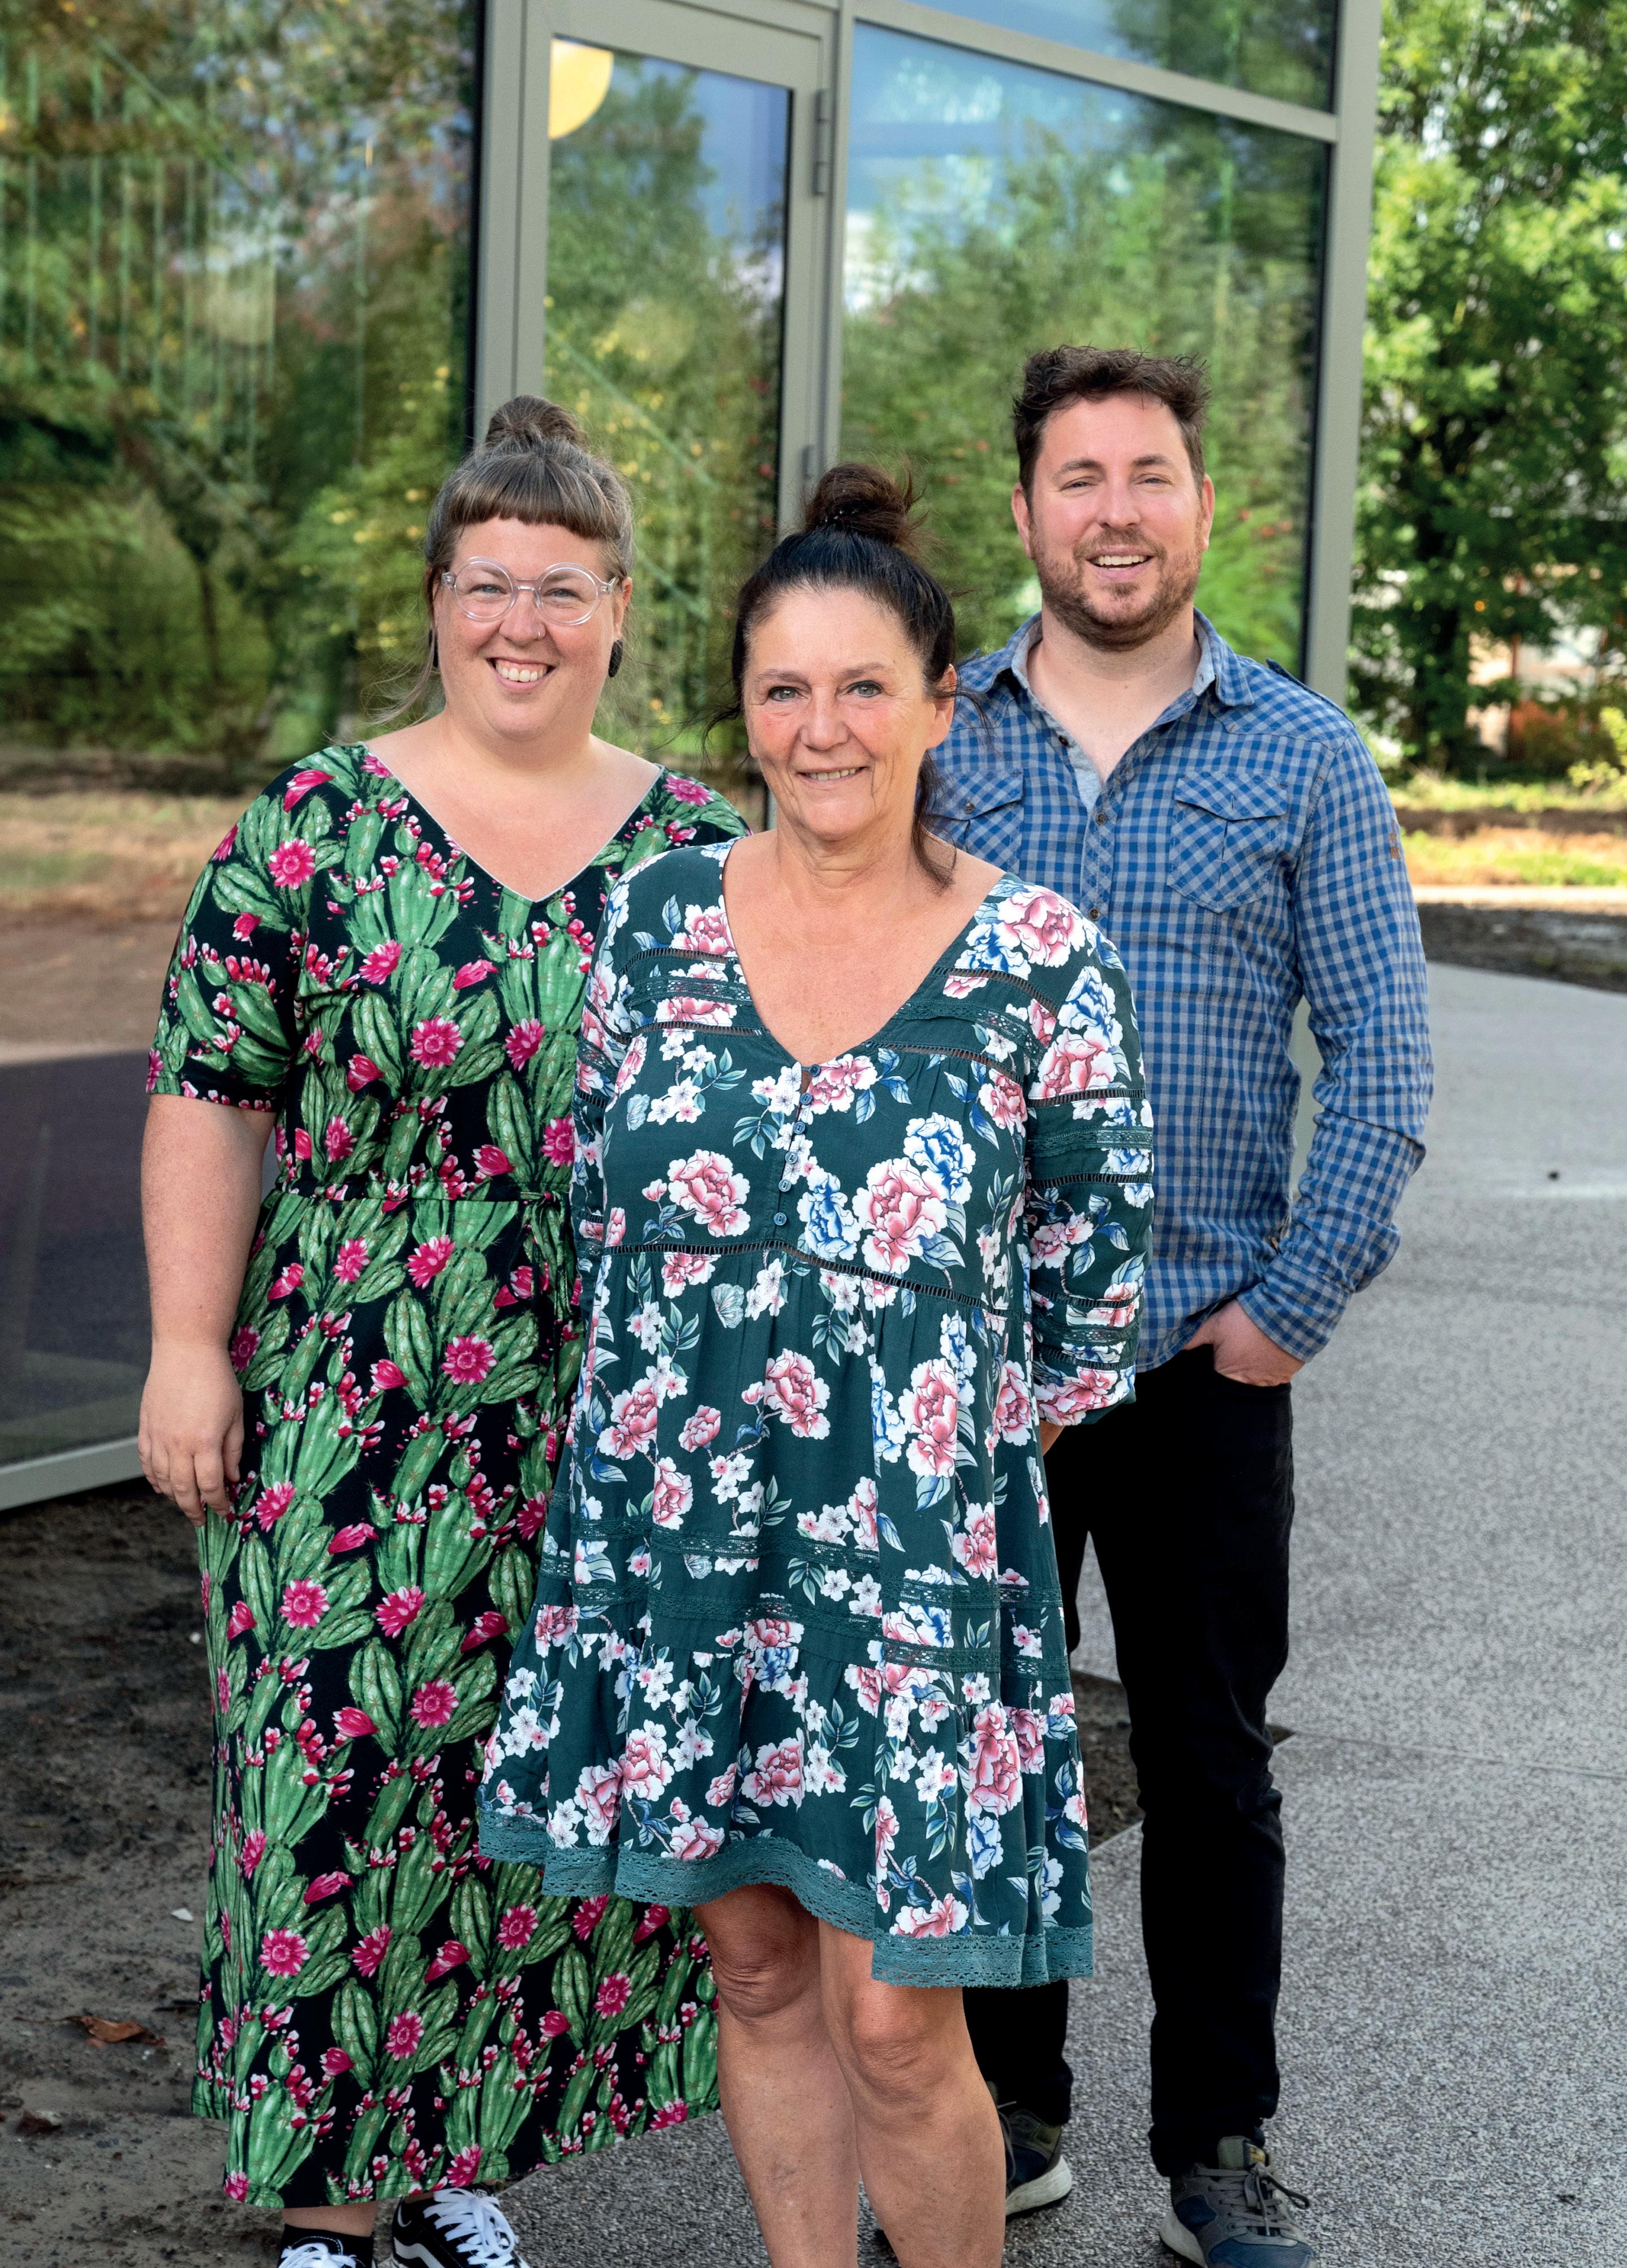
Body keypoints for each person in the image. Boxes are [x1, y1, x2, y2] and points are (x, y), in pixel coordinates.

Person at [479, 464, 1156, 2267]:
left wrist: (928, 1463)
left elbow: (1089, 1288)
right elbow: (593, 1199)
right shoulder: (652, 921)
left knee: (896, 2018)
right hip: (685, 1545)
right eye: (782, 687)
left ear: (942, 705)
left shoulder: (1036, 959)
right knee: (760, 1966)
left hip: (912, 1570)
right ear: (741, 708)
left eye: (864, 685)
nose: (821, 726)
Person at [139, 396, 746, 2268]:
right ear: (435, 600)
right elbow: (211, 1093)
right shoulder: (314, 823)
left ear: (620, 609)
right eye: (487, 582)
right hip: (343, 1386)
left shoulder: (702, 849)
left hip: (601, 1404)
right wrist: (184, 1346)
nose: (520, 622)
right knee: (327, 1772)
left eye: (561, 586)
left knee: (526, 1790)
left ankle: (451, 2152)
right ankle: (327, 2208)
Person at [933, 346, 1432, 2268]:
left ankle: (1217, 2146)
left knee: (1211, 1764)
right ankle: (1006, 2114)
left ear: (1201, 506)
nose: (1115, 511)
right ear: (1025, 512)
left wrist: (1285, 1312)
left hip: (1201, 1352)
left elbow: (1381, 1059)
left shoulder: (1301, 754)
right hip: (970, 1363)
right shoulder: (938, 737)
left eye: (1148, 474)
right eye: (1078, 477)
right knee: (988, 1751)